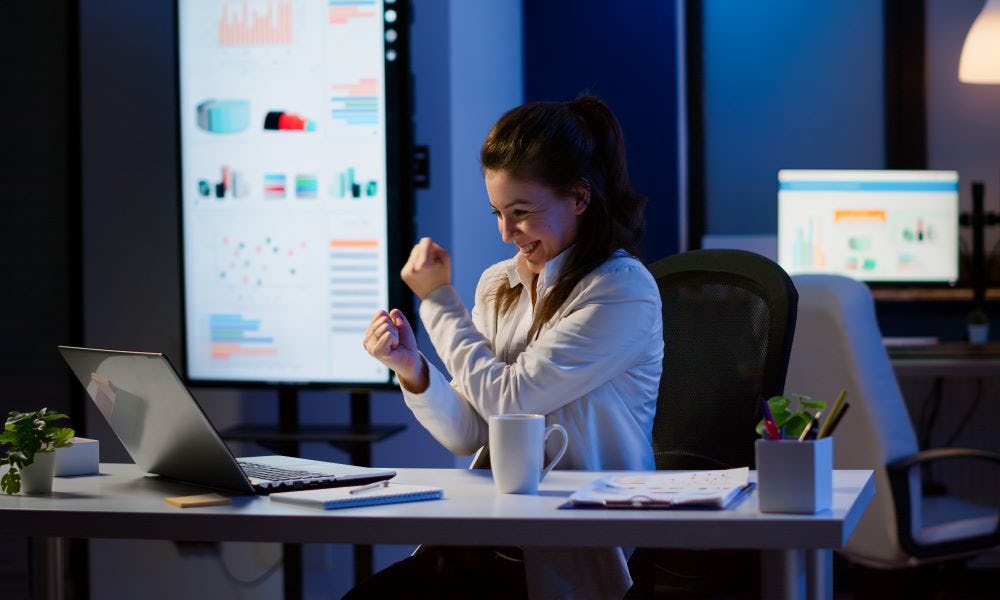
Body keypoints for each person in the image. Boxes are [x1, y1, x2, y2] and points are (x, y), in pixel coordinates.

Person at [353, 94, 663, 599]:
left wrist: (437, 301)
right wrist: (413, 370)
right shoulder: (499, 285)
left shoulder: (622, 289)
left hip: (578, 542)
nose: (505, 233)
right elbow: (472, 431)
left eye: (521, 212)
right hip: (498, 534)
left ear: (579, 198)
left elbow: (511, 400)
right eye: (497, 212)